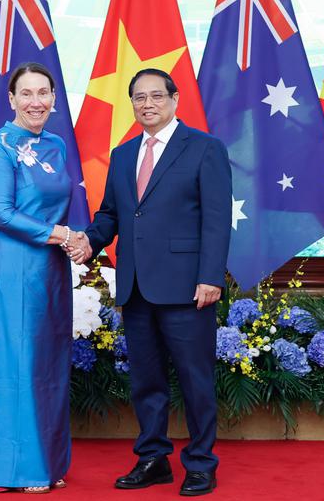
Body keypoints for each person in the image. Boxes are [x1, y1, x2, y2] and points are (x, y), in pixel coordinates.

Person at [68, 68, 231, 496]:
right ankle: (153, 459)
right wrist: (87, 240)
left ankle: (200, 463)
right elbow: (112, 214)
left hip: (188, 287)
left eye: (156, 96)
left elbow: (216, 220)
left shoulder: (205, 149)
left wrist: (210, 276)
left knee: (195, 379)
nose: (147, 104)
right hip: (136, 286)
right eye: (139, 97)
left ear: (175, 100)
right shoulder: (123, 156)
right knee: (146, 380)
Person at [0, 62, 76, 494]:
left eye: (43, 93)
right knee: (17, 363)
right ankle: (15, 468)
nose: (36, 102)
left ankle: (47, 461)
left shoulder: (58, 144)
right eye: (26, 93)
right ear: (11, 99)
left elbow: (57, 204)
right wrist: (60, 234)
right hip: (11, 263)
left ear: (54, 98)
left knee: (48, 362)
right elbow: (2, 213)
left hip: (51, 265)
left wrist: (71, 240)